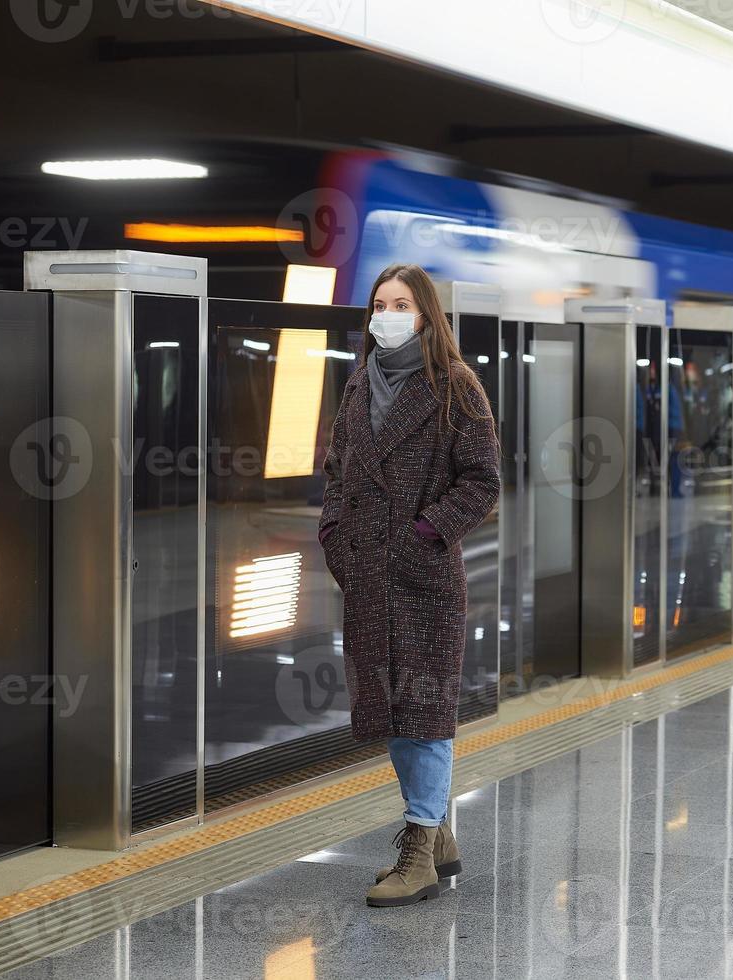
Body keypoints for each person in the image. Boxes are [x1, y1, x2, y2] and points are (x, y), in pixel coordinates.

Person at [317, 263, 500, 907]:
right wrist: (336, 536)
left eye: (400, 303)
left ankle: (419, 849)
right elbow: (336, 473)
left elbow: (483, 481)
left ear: (424, 314)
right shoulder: (357, 388)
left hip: (425, 583)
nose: (386, 313)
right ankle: (437, 832)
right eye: (378, 303)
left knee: (425, 711)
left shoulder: (456, 387)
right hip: (368, 578)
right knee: (392, 708)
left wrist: (427, 533)